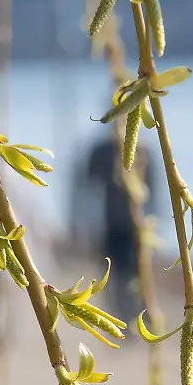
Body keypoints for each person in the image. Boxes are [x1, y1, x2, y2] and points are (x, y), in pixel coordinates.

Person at [72, 131, 160, 319]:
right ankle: (122, 316)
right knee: (113, 272)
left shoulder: (143, 149)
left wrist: (155, 222)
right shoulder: (102, 151)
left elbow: (154, 188)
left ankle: (140, 315)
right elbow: (84, 185)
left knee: (137, 270)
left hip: (137, 227)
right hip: (110, 225)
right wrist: (81, 224)